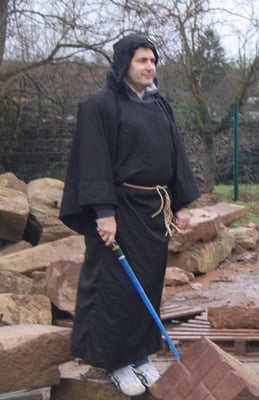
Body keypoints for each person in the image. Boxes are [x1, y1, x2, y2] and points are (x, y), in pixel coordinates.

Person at [59, 34, 200, 396]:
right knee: (116, 287)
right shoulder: (101, 105)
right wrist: (104, 212)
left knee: (148, 284)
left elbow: (176, 154)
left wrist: (182, 204)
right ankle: (115, 360)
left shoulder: (159, 103)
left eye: (152, 60)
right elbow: (93, 159)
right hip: (119, 209)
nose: (149, 67)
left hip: (154, 210)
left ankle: (140, 355)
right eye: (142, 60)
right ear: (124, 64)